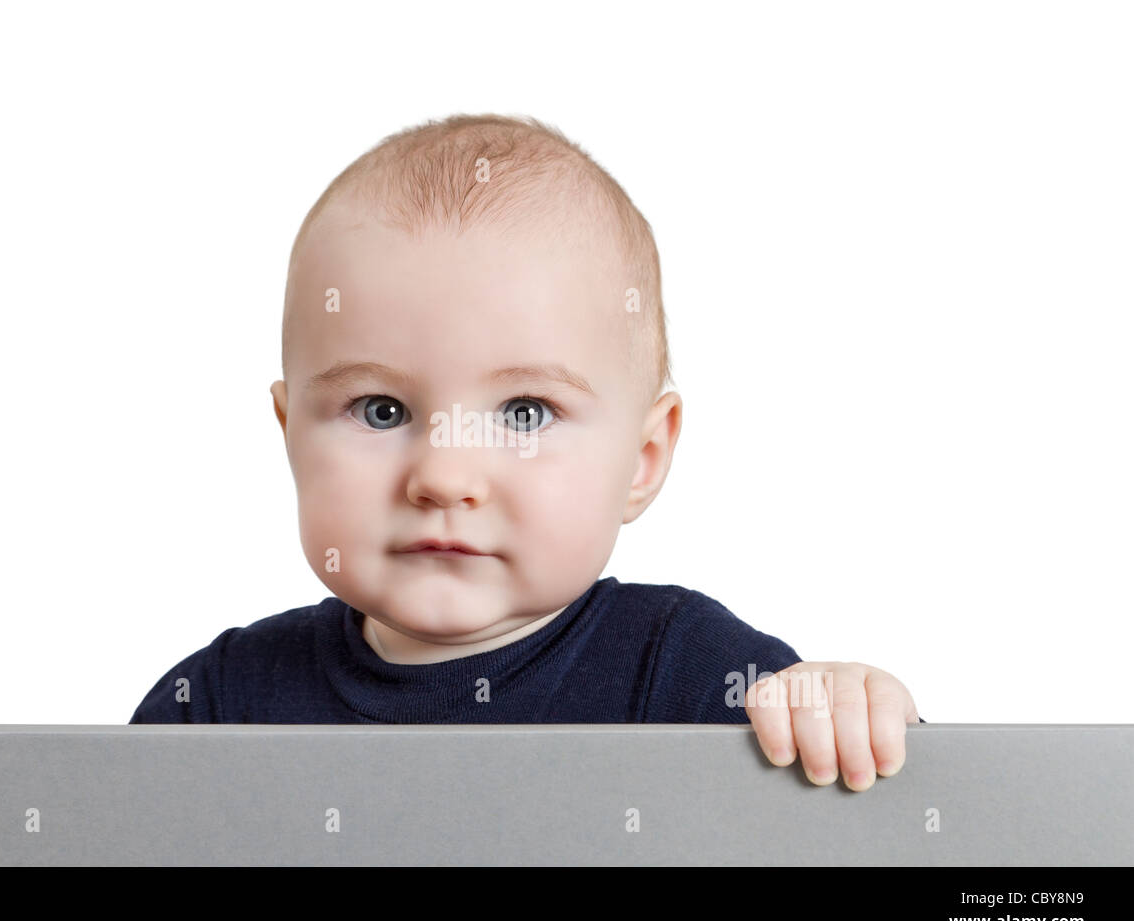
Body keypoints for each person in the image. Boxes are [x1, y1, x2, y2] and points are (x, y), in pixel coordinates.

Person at [131, 113, 924, 792]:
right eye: (382, 410)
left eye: (523, 413)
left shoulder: (686, 673)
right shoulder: (217, 705)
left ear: (642, 460)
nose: (444, 475)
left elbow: (898, 830)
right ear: (290, 436)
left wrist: (853, 720)